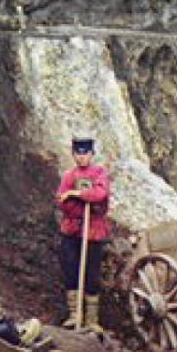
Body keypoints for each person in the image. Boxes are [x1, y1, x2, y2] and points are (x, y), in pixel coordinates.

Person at [55, 135, 110, 332]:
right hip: (72, 230)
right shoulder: (69, 176)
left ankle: (91, 320)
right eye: (78, 153)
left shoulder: (100, 173)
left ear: (92, 154)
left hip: (93, 231)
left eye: (85, 153)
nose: (81, 157)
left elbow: (100, 194)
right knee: (71, 268)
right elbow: (62, 200)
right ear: (73, 155)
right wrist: (77, 204)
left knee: (92, 272)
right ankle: (74, 314)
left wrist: (77, 194)